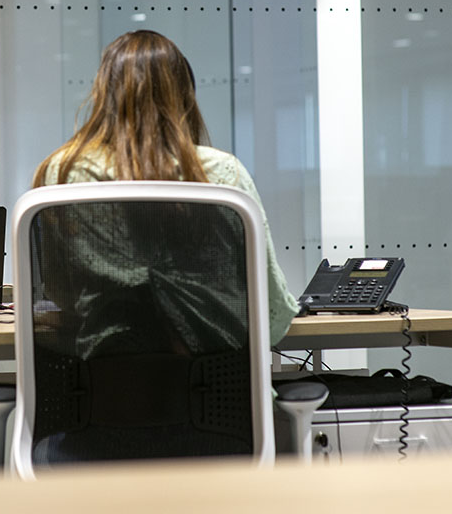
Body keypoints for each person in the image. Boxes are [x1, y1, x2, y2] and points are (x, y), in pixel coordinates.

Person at [33, 30, 299, 346]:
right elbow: (272, 312)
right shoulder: (223, 174)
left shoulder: (63, 172)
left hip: (104, 372)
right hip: (218, 375)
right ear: (185, 96)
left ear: (103, 94)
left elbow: (61, 291)